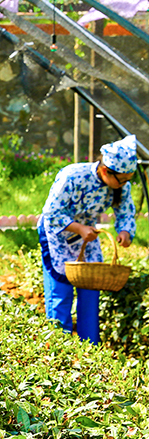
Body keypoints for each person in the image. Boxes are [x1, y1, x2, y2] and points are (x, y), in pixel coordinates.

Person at [38, 135, 137, 345]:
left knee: (91, 291)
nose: (125, 184)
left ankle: (89, 349)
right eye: (122, 180)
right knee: (61, 293)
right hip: (58, 233)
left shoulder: (121, 184)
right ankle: (58, 348)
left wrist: (126, 232)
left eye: (128, 179)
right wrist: (79, 228)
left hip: (87, 234)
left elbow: (125, 213)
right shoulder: (72, 176)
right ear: (104, 170)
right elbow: (52, 213)